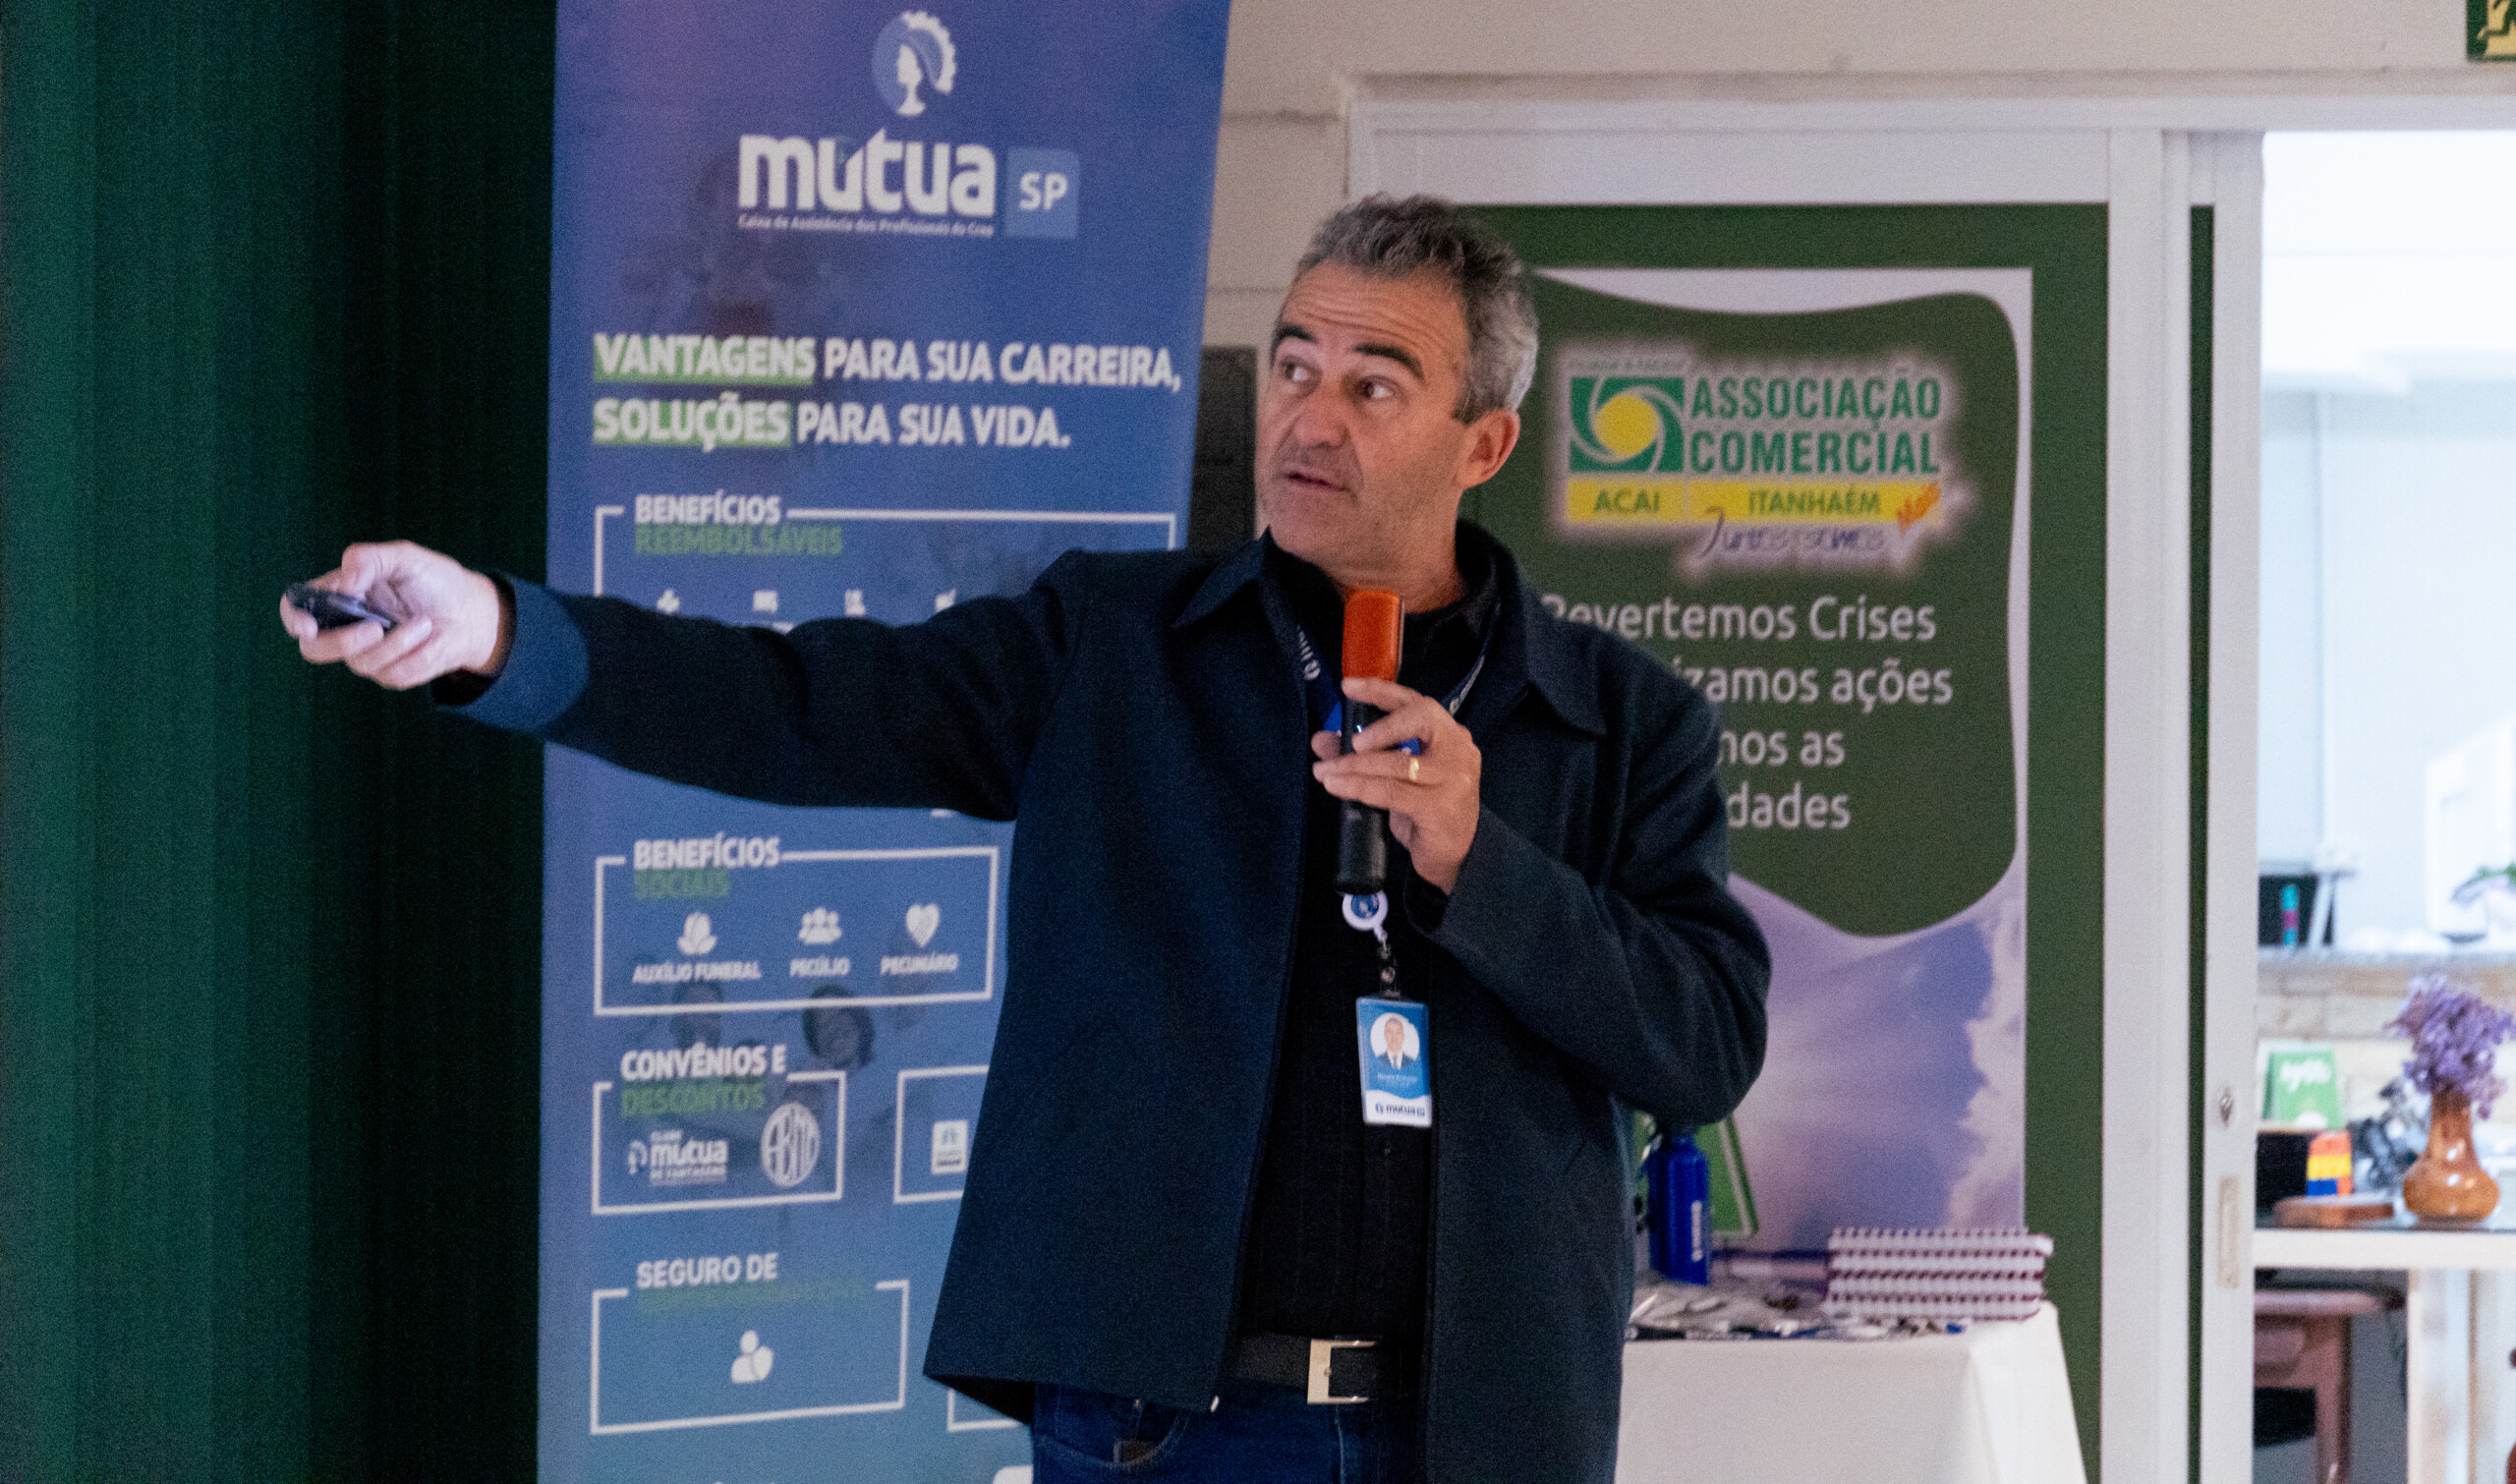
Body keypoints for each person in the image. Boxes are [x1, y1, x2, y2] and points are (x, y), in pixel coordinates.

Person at [283, 195, 1769, 1484]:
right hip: (1163, 1427)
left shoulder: (1622, 723)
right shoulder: (1116, 650)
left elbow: (1703, 1044)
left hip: (1479, 1434)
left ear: (1483, 441)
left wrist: (1478, 863)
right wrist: (497, 636)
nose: (1311, 418)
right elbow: (804, 704)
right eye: (1295, 366)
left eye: (1374, 386)